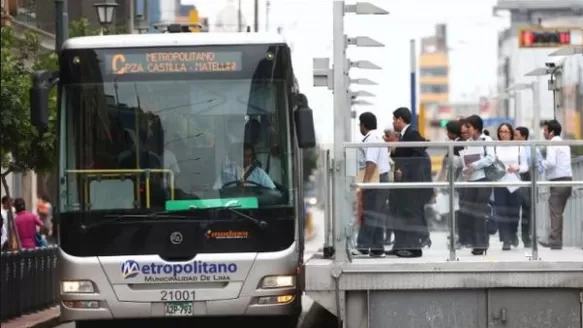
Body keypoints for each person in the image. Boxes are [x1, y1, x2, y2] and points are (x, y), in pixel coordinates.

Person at [389, 107, 431, 258]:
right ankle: (400, 246)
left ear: (400, 119)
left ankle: (414, 249)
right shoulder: (403, 136)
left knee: (410, 215)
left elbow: (417, 155)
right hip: (403, 186)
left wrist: (404, 171)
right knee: (401, 215)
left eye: (394, 119)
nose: (393, 122)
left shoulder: (412, 134)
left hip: (411, 185)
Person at [353, 112, 390, 257]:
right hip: (379, 179)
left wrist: (365, 183)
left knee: (370, 213)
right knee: (377, 214)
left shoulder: (372, 139)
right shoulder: (374, 138)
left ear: (363, 125)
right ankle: (377, 248)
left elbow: (371, 162)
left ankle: (362, 246)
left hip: (375, 179)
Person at [459, 115, 495, 256]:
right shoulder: (468, 142)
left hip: (484, 179)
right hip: (471, 180)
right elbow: (465, 161)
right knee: (470, 211)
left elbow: (491, 158)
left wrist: (474, 165)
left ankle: (481, 244)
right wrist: (466, 170)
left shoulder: (487, 140)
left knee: (479, 212)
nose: (467, 130)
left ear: (477, 128)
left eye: (469, 127)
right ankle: (475, 242)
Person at [493, 123, 527, 251]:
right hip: (500, 183)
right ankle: (505, 240)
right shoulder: (495, 147)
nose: (503, 134)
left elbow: (525, 166)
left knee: (514, 212)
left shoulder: (518, 147)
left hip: (515, 183)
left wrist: (517, 168)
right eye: (501, 131)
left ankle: (513, 234)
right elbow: (491, 164)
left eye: (506, 131)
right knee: (501, 212)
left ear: (511, 133)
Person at [539, 120, 572, 250]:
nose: (544, 132)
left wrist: (541, 163)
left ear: (551, 132)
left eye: (546, 130)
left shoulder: (552, 143)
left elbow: (551, 163)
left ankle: (554, 241)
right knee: (558, 212)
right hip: (567, 180)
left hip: (558, 182)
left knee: (555, 212)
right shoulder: (564, 143)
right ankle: (556, 240)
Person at [514, 126, 543, 247]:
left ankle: (527, 238)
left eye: (516, 135)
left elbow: (540, 166)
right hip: (514, 179)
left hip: (528, 178)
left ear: (523, 137)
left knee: (528, 211)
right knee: (514, 211)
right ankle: (513, 236)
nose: (514, 137)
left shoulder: (531, 148)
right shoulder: (512, 148)